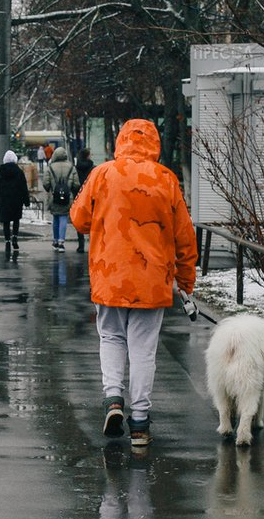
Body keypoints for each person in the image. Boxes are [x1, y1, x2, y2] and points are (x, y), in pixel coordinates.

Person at [70, 119, 198, 448]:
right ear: (154, 143)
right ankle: (140, 422)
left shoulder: (101, 174)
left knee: (111, 338)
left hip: (109, 274)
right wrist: (185, 282)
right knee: (143, 350)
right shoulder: (166, 179)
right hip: (152, 279)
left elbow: (79, 219)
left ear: (120, 140)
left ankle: (114, 399)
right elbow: (185, 237)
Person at [0, 150, 30, 252]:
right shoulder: (19, 172)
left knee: (6, 222)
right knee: (16, 220)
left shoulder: (0, 172)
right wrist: (26, 201)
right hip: (17, 201)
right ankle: (15, 237)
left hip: (4, 201)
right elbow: (23, 188)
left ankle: (7, 241)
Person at [43, 146, 78, 252]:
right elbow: (76, 184)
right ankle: (61, 242)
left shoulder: (50, 167)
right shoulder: (71, 167)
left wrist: (51, 189)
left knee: (56, 218)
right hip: (67, 197)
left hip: (54, 196)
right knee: (63, 218)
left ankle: (55, 240)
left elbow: (46, 183)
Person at [75, 147, 96, 253]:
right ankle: (92, 243)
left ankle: (81, 245)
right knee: (92, 220)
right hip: (91, 195)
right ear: (87, 156)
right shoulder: (93, 168)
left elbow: (74, 182)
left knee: (81, 219)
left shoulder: (76, 167)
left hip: (79, 195)